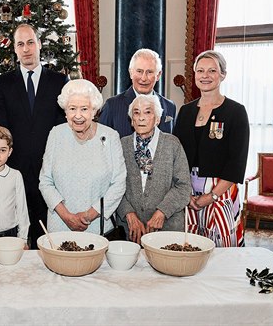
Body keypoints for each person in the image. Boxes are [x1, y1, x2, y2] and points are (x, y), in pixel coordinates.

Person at [0, 23, 68, 248]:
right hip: (16, 173)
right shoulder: (3, 84)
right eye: (20, 44)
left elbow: (64, 127)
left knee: (48, 240)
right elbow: (0, 129)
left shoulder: (59, 82)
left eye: (30, 42)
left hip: (51, 174)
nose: (26, 49)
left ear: (39, 44)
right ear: (14, 49)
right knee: (19, 239)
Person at [173, 50, 250, 247]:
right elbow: (176, 155)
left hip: (221, 191)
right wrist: (184, 193)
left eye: (212, 71)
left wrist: (212, 195)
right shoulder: (185, 111)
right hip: (188, 191)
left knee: (223, 250)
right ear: (195, 75)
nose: (205, 76)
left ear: (223, 74)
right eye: (200, 71)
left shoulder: (236, 112)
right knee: (189, 248)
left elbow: (237, 162)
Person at [39, 79, 126, 234]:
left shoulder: (111, 136)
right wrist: (66, 216)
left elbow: (118, 184)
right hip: (60, 225)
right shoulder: (56, 134)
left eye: (84, 109)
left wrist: (88, 215)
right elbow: (45, 181)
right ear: (65, 111)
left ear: (94, 111)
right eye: (72, 108)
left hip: (98, 227)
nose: (78, 115)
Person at [118, 94, 191, 244]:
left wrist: (162, 212)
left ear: (157, 119)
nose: (141, 118)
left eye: (148, 112)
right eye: (136, 113)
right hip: (131, 231)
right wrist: (129, 214)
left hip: (168, 228)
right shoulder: (121, 145)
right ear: (132, 120)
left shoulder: (172, 144)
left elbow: (183, 187)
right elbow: (113, 186)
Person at [99, 48, 176, 138]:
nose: (143, 78)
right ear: (131, 73)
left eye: (149, 72)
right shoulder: (112, 105)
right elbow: (100, 143)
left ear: (158, 75)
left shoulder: (170, 107)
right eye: (139, 71)